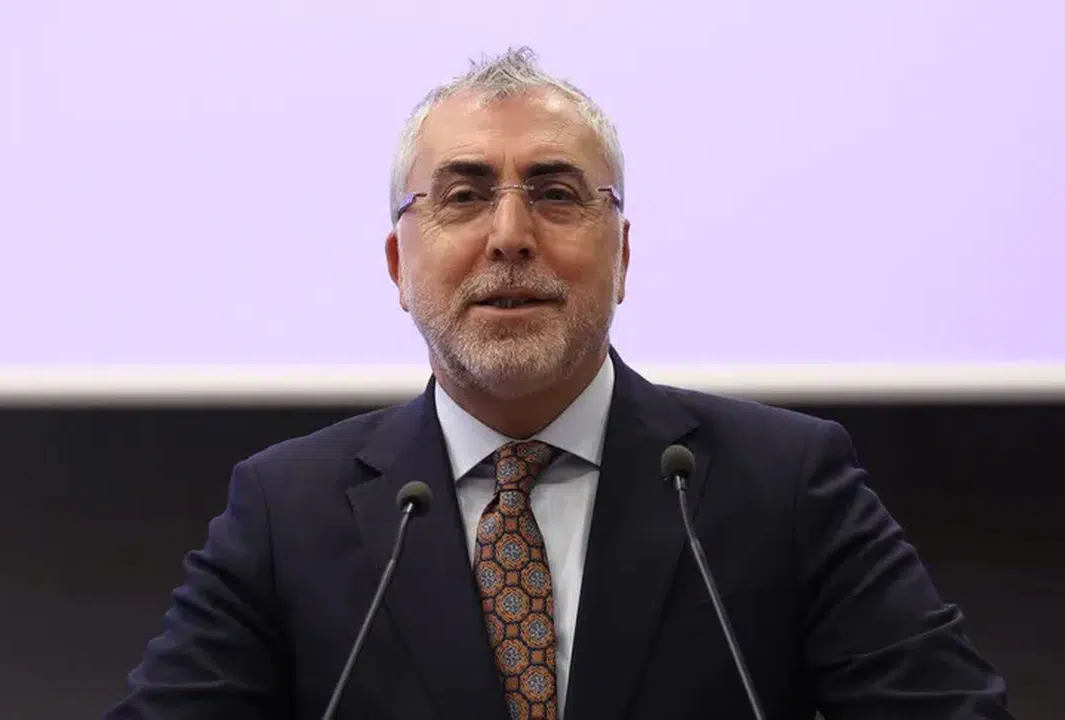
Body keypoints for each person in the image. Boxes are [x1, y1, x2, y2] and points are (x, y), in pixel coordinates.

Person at [105, 47, 1013, 719]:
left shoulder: (784, 485)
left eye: (555, 193)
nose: (509, 236)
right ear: (397, 266)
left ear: (623, 258)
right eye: (463, 196)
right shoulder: (285, 511)